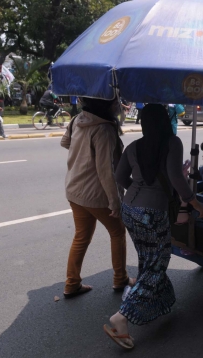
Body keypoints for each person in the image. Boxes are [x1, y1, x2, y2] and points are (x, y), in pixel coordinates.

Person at [110, 104, 203, 350]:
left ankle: (159, 302)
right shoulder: (172, 143)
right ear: (166, 121)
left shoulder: (133, 147)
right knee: (159, 261)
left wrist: (139, 186)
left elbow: (119, 178)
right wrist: (196, 204)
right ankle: (122, 317)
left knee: (147, 256)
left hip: (130, 210)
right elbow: (177, 177)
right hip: (154, 212)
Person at [60, 97, 132, 300]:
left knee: (81, 236)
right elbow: (105, 170)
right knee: (117, 232)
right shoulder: (104, 129)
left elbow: (65, 142)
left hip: (75, 190)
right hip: (96, 195)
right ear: (106, 105)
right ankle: (121, 279)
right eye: (116, 102)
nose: (119, 105)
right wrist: (115, 201)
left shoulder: (77, 119)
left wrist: (83, 153)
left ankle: (72, 283)